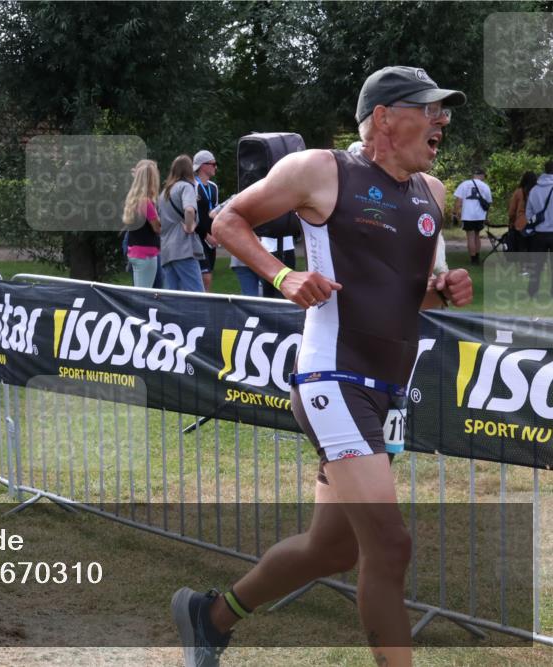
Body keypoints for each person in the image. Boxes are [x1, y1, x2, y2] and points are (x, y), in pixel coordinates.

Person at [171, 66, 472, 667]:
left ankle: (211, 615)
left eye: (444, 110)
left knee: (331, 549)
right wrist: (283, 276)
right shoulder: (321, 169)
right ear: (384, 116)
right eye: (429, 108)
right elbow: (227, 219)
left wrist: (445, 288)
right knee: (389, 545)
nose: (441, 120)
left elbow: (408, 295)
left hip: (388, 392)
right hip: (332, 378)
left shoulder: (433, 194)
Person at [158, 155, 205, 292]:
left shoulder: (164, 193)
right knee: (196, 294)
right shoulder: (186, 187)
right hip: (183, 248)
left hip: (166, 250)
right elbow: (189, 210)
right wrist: (190, 227)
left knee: (174, 296)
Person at [122, 159, 162, 288]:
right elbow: (157, 228)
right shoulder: (146, 202)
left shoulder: (133, 199)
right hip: (147, 254)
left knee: (140, 291)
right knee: (143, 295)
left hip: (135, 251)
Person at [192, 150, 221, 291]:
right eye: (213, 164)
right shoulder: (192, 186)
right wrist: (206, 236)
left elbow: (215, 213)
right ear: (203, 166)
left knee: (208, 276)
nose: (216, 167)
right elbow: (190, 217)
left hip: (212, 239)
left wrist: (216, 234)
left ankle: (204, 306)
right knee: (205, 276)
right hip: (197, 238)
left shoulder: (214, 187)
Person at [525, 160, 553, 298]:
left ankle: (532, 291)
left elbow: (528, 212)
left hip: (539, 233)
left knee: (536, 265)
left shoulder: (535, 189)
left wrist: (534, 226)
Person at [454, 167, 492, 264]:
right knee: (477, 236)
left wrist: (455, 213)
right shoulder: (485, 186)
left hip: (467, 215)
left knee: (470, 236)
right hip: (480, 216)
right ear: (481, 175)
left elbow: (458, 201)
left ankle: (473, 259)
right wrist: (486, 217)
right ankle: (477, 257)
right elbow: (488, 204)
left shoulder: (464, 184)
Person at [507, 171, 537, 255]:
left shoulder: (519, 192)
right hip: (535, 224)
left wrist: (512, 222)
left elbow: (512, 211)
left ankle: (523, 267)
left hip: (521, 224)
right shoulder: (538, 192)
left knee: (522, 248)